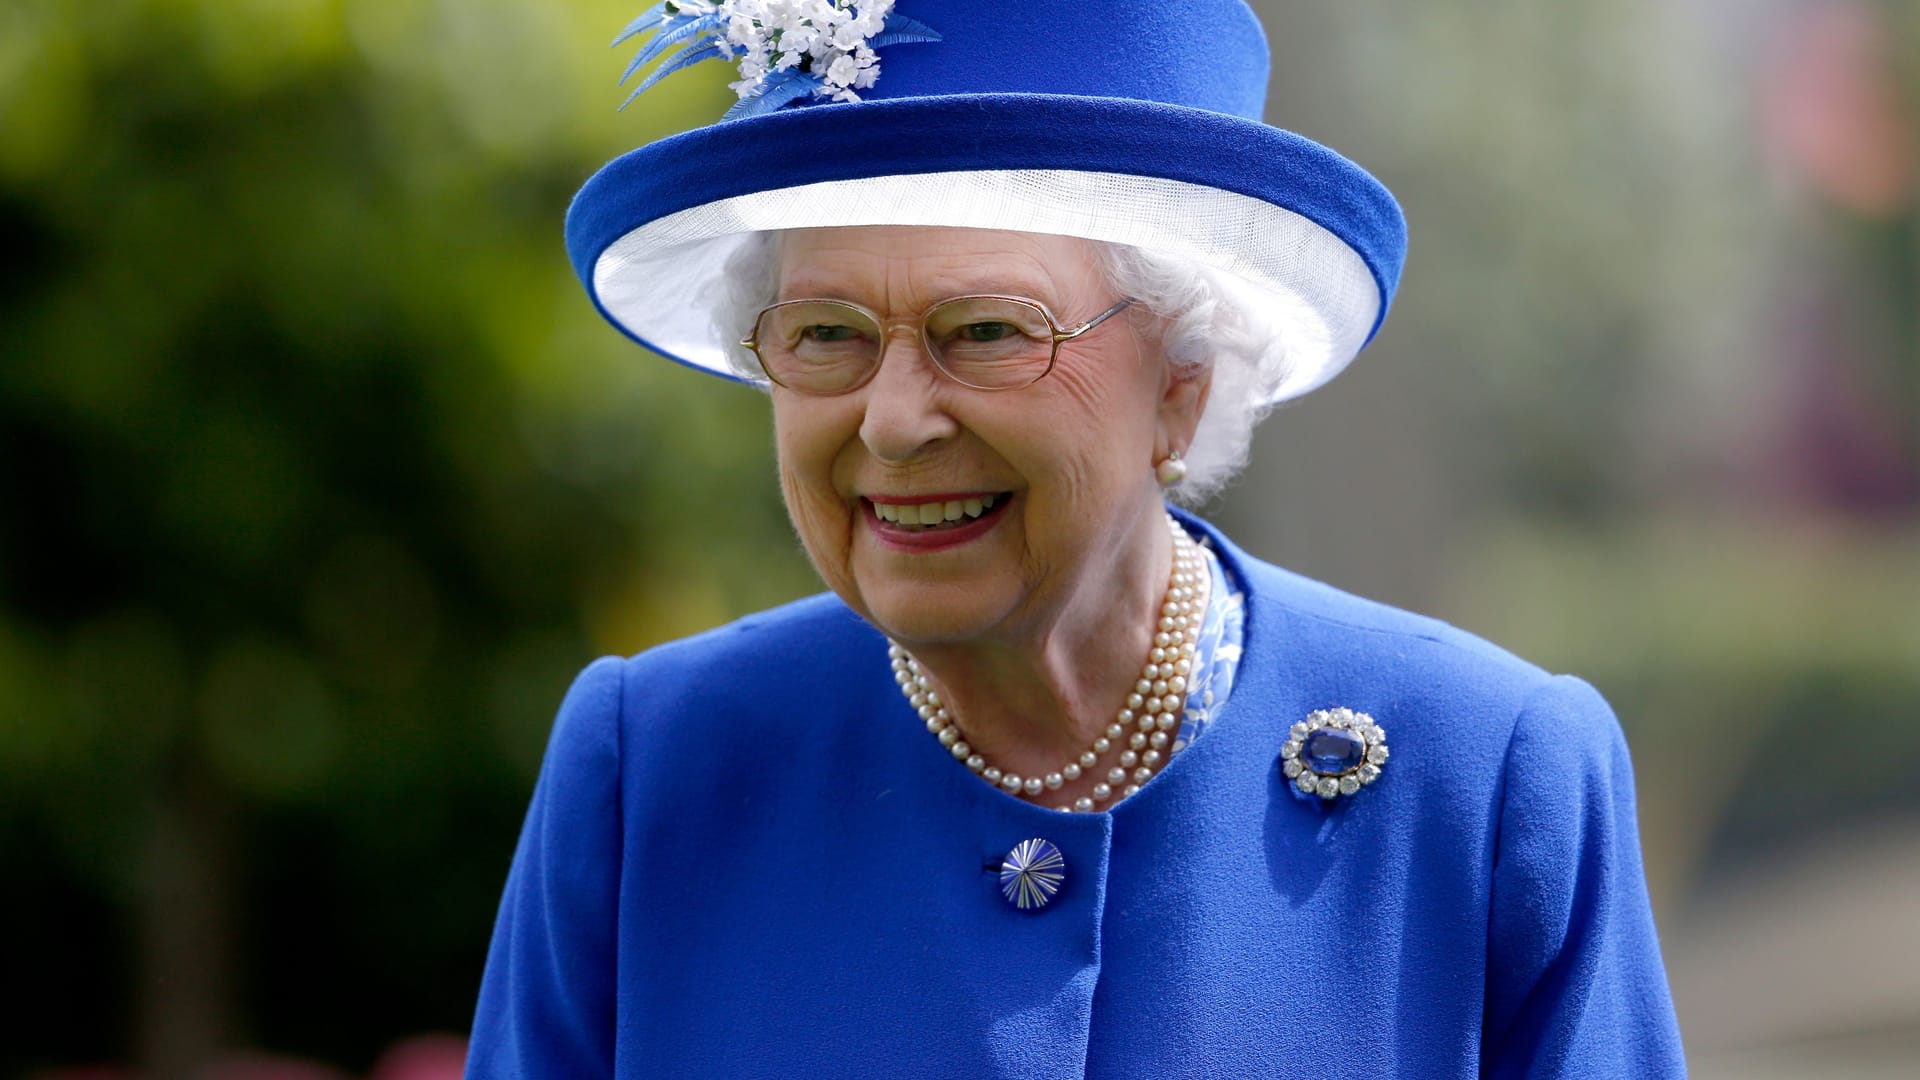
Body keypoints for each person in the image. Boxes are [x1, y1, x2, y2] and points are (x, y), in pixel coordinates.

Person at [465, 2, 1686, 1076]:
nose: (891, 423)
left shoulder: (1486, 778)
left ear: (1183, 386)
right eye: (825, 335)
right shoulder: (656, 767)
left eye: (987, 331)